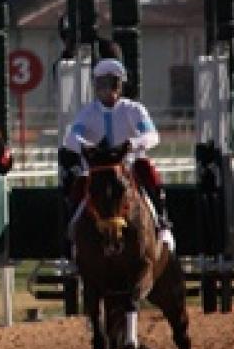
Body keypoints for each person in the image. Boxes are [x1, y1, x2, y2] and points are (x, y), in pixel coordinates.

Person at [61, 57, 174, 250]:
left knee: (146, 169)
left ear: (120, 86)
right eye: (102, 85)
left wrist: (133, 143)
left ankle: (162, 222)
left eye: (112, 84)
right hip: (97, 168)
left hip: (127, 167)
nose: (107, 91)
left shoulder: (134, 110)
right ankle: (71, 234)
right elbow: (70, 138)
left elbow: (153, 135)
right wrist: (85, 147)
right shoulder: (87, 113)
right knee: (79, 184)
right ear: (96, 87)